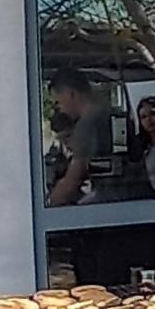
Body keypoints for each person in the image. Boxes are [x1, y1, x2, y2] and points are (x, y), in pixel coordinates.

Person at [47, 69, 113, 207]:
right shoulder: (108, 114)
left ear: (71, 94)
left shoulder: (85, 126)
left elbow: (72, 182)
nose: (61, 109)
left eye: (58, 103)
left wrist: (50, 202)